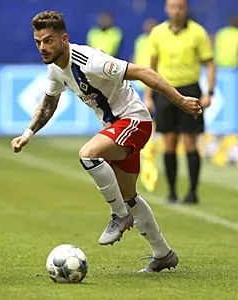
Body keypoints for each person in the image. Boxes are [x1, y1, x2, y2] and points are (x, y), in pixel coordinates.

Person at [11, 10, 202, 272]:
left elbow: (144, 71)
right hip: (116, 126)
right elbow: (48, 104)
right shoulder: (56, 69)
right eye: (38, 42)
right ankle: (163, 253)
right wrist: (27, 133)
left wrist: (179, 101)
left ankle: (119, 215)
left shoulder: (90, 61)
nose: (42, 47)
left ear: (63, 39)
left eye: (48, 41)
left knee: (88, 154)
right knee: (130, 196)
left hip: (134, 121)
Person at [144, 0, 216, 204]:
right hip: (165, 90)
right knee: (169, 141)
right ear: (167, 9)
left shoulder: (198, 32)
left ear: (186, 9)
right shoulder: (157, 33)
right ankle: (172, 191)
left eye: (180, 7)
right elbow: (151, 68)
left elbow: (210, 64)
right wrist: (148, 96)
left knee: (190, 140)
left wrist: (209, 92)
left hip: (190, 89)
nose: (177, 11)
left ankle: (193, 192)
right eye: (173, 7)